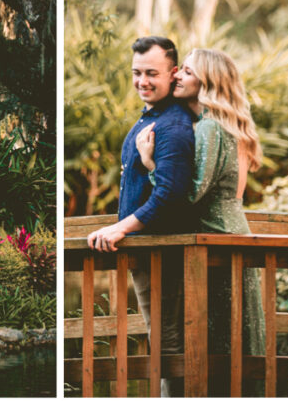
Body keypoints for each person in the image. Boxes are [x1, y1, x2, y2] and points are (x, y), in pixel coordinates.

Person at [136, 48, 265, 396]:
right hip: (232, 235)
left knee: (221, 340)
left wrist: (150, 164)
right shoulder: (223, 125)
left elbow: (191, 193)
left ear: (206, 81)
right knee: (236, 337)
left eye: (187, 72)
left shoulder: (209, 127)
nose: (177, 76)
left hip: (218, 241)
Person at [86, 36, 195, 397]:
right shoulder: (153, 117)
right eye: (136, 73)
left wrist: (121, 227)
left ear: (173, 73)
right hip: (148, 252)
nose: (142, 81)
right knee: (161, 337)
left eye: (151, 73)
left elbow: (170, 195)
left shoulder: (173, 127)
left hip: (163, 253)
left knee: (168, 340)